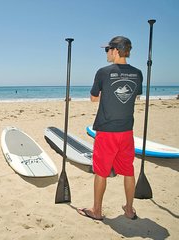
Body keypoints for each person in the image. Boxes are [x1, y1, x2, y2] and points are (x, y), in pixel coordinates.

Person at [77, 36, 143, 221]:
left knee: (101, 171)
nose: (106, 53)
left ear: (115, 50)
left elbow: (93, 98)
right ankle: (129, 210)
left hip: (107, 131)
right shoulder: (137, 73)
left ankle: (96, 211)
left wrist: (107, 94)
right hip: (126, 130)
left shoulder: (103, 72)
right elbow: (135, 96)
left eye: (107, 49)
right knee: (128, 170)